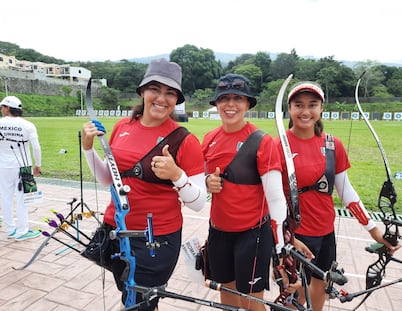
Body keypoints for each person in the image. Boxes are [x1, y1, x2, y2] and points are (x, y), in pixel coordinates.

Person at [82, 58, 207, 310]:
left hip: (155, 240)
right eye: (155, 90)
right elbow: (109, 178)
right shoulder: (122, 127)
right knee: (129, 296)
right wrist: (87, 148)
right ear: (143, 92)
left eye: (170, 93)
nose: (161, 98)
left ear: (176, 100)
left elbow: (199, 203)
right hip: (116, 230)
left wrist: (176, 175)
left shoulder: (185, 140)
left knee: (141, 302)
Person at [275, 81, 401, 311]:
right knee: (296, 292)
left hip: (325, 231)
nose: (305, 111)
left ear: (321, 108)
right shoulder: (277, 146)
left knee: (323, 282)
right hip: (297, 234)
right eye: (298, 105)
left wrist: (373, 229)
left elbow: (346, 191)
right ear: (289, 109)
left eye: (312, 104)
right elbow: (270, 199)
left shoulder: (333, 145)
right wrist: (287, 239)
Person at [202, 73, 303, 311]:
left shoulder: (262, 141)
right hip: (218, 232)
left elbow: (276, 197)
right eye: (224, 98)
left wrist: (279, 245)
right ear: (216, 103)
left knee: (251, 301)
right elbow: (199, 182)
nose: (230, 105)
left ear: (247, 104)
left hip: (252, 234)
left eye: (238, 98)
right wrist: (207, 182)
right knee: (226, 294)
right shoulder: (209, 139)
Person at [0, 95, 42, 241]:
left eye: (2, 107)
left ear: (7, 108)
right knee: (23, 198)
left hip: (3, 166)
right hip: (23, 166)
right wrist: (38, 164)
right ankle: (22, 231)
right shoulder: (27, 125)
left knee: (5, 197)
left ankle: (10, 230)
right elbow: (36, 147)